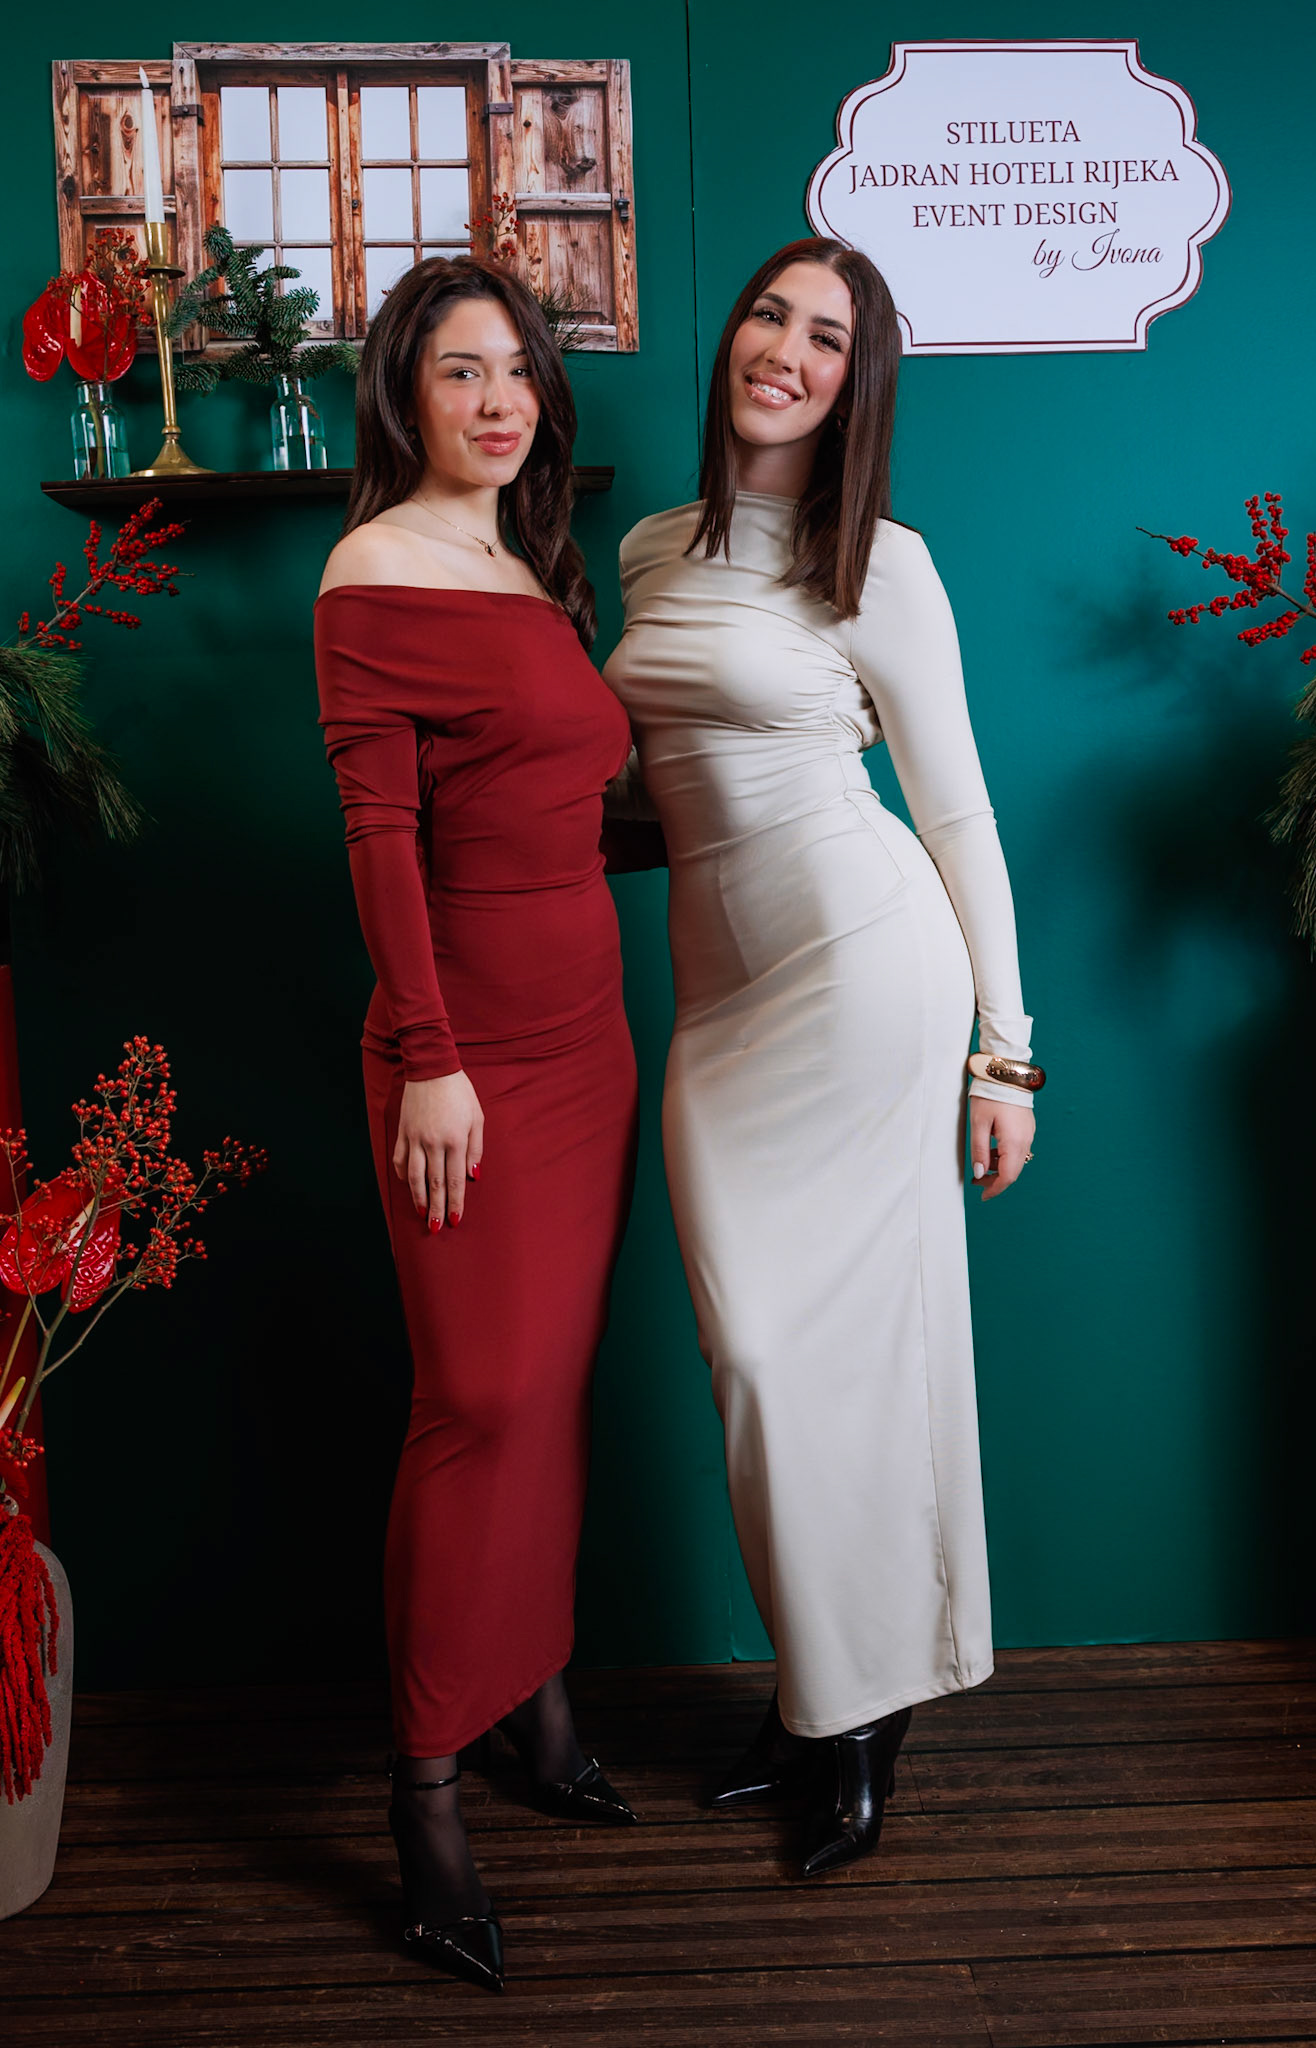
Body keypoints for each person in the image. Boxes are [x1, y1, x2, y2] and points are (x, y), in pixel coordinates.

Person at [603, 237, 1042, 1879]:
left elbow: (956, 811)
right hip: (720, 1000)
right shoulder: (649, 546)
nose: (785, 351)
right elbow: (658, 783)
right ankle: (820, 1693)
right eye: (769, 316)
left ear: (859, 385)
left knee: (851, 1358)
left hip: (862, 965)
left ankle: (855, 1720)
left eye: (828, 338)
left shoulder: (880, 562)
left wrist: (1006, 1055)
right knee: (758, 1365)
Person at [315, 256, 640, 1994]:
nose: (497, 400)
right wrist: (430, 1054)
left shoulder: (529, 563)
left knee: (550, 1389)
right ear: (405, 394)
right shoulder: (374, 570)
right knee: (479, 1400)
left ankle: (537, 1693)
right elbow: (381, 836)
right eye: (460, 371)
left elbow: (564, 806)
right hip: (465, 1060)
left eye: (515, 369)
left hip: (589, 1046)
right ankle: (426, 1787)